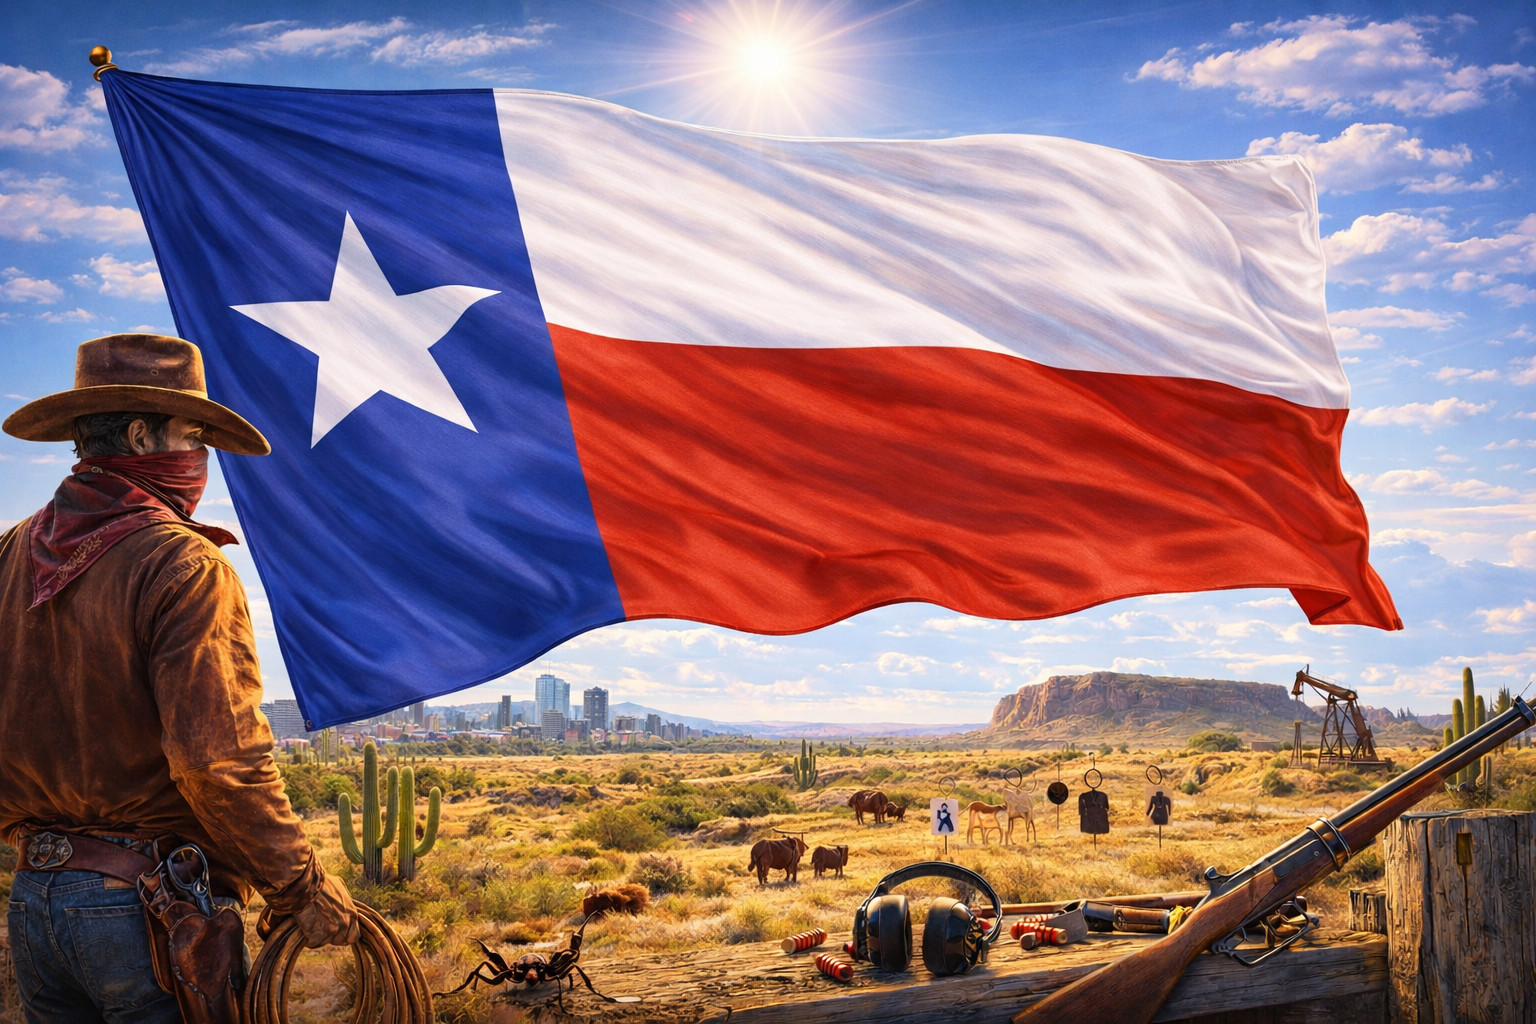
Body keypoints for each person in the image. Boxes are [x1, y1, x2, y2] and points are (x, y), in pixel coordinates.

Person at [0, 333, 357, 1024]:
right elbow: (216, 758)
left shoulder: (9, 554)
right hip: (146, 907)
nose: (201, 458)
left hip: (33, 899)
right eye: (192, 435)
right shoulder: (183, 564)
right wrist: (298, 885)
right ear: (139, 434)